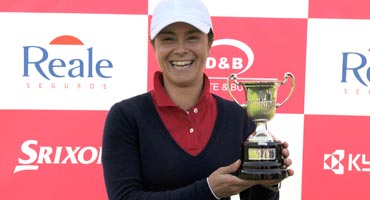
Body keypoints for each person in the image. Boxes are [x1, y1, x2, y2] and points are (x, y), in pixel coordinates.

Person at [102, 0, 294, 199]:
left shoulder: (237, 116)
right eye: (168, 39)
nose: (181, 49)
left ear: (209, 43)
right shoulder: (126, 116)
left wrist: (268, 180)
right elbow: (123, 197)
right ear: (154, 46)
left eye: (192, 38)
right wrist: (208, 191)